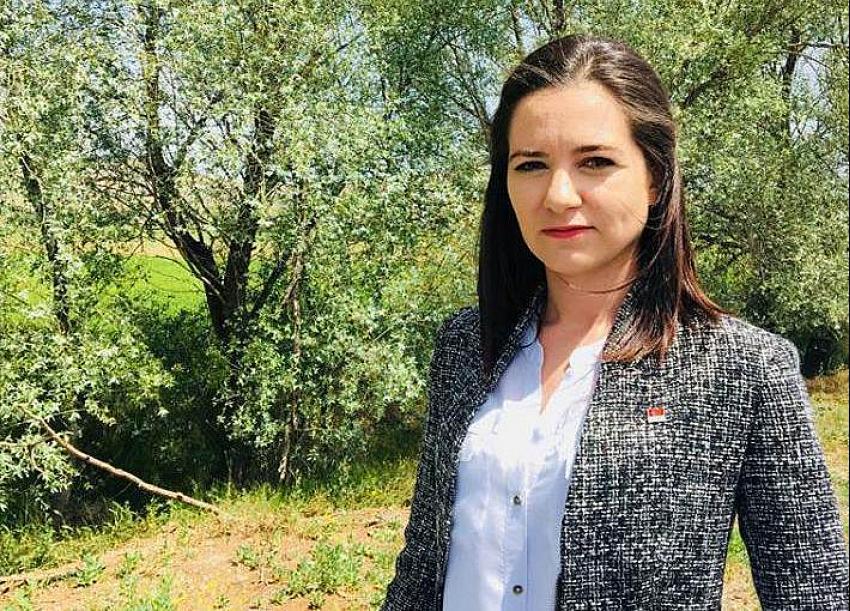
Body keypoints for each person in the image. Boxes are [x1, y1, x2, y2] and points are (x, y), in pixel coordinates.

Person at [381, 33, 849, 610]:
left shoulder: (744, 368)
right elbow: (423, 563)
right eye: (531, 164)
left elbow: (812, 591)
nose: (558, 195)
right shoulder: (465, 344)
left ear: (655, 177)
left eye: (595, 162)